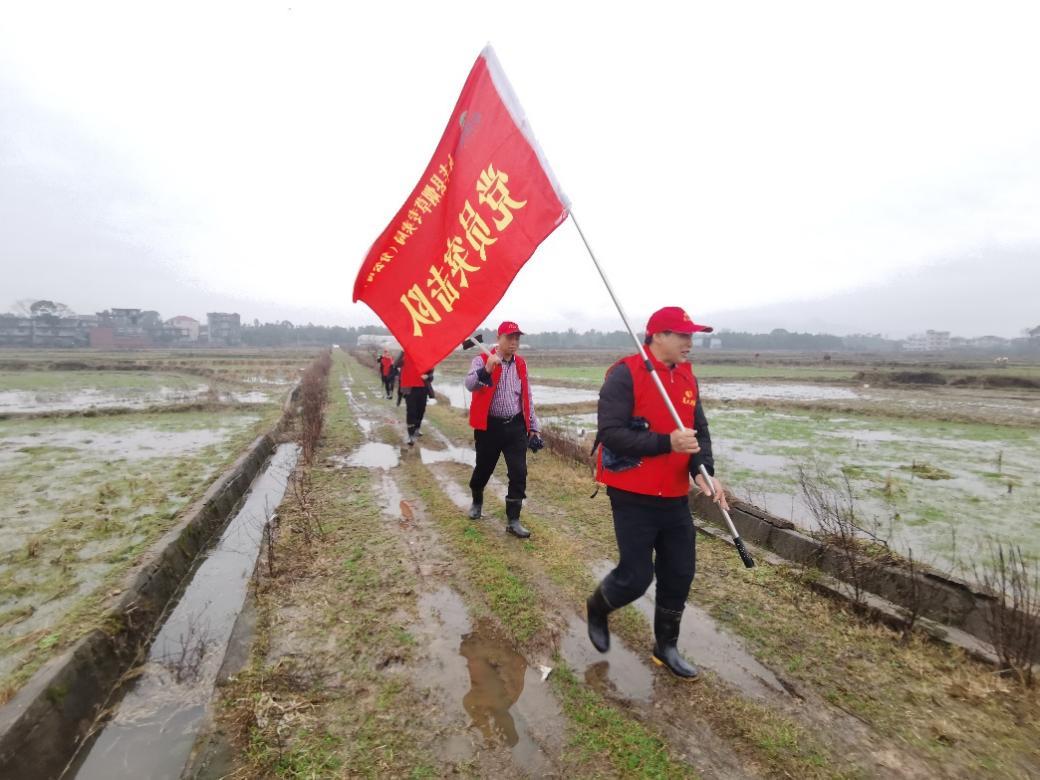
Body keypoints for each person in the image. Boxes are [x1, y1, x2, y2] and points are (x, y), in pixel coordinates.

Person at [585, 306, 729, 680]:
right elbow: (612, 433)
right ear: (658, 336)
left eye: (692, 335)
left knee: (679, 572)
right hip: (632, 491)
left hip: (674, 495)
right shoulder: (625, 374)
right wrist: (666, 442)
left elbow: (699, 431)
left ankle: (665, 646)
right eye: (683, 335)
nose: (690, 343)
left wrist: (705, 472)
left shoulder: (686, 376)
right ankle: (598, 606)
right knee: (636, 576)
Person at [464, 321, 542, 539]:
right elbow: (469, 384)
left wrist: (533, 426)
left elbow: (527, 397)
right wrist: (488, 368)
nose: (514, 342)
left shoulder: (521, 364)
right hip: (489, 428)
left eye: (517, 338)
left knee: (519, 472)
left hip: (515, 427)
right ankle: (477, 500)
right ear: (499, 339)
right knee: (483, 470)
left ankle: (513, 520)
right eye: (509, 338)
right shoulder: (481, 359)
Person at [396, 351, 434, 445]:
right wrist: (403, 351)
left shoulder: (426, 359)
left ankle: (417, 428)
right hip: (410, 389)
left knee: (421, 411)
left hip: (423, 389)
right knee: (411, 411)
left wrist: (427, 376)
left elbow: (431, 375)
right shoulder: (406, 358)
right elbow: (395, 364)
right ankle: (410, 434)